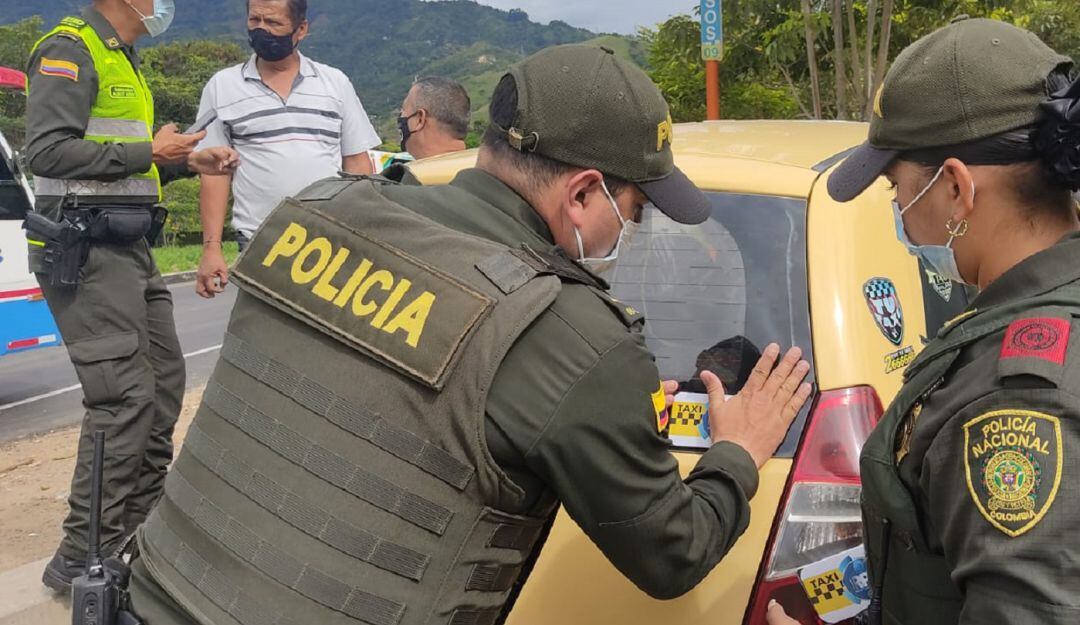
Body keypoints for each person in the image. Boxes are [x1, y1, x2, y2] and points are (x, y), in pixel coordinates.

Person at [126, 44, 812, 625]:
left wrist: (595, 404)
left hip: (152, 593)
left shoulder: (317, 210)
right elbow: (673, 554)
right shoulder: (573, 338)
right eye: (633, 211)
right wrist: (738, 451)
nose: (632, 232)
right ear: (582, 194)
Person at [767, 17, 1080, 625]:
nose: (897, 212)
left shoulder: (1022, 401)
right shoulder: (1023, 314)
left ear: (956, 189)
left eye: (896, 188)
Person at [24, 0, 240, 593]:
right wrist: (151, 150)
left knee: (163, 387)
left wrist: (185, 161)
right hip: (86, 250)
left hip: (128, 248)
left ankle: (139, 530)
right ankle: (83, 556)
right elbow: (46, 151)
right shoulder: (70, 49)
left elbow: (118, 166)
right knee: (122, 399)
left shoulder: (123, 57)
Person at [194, 0, 381, 298]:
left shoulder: (334, 84)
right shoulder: (223, 86)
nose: (262, 30)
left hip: (331, 240)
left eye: (273, 23)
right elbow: (214, 173)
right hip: (260, 239)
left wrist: (364, 236)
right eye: (254, 20)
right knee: (261, 323)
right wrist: (211, 249)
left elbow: (358, 166)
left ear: (301, 29)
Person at [383, 76, 471, 184]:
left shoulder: (409, 184)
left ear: (420, 119)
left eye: (403, 111)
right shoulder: (481, 175)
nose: (401, 117)